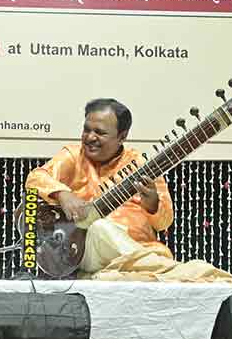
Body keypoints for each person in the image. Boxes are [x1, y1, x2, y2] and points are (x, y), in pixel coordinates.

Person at [25, 98, 173, 273]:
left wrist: (153, 206)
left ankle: (146, 269)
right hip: (91, 251)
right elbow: (35, 178)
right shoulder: (73, 157)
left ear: (122, 136)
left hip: (140, 247)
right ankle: (166, 271)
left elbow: (164, 223)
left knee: (116, 263)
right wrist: (62, 194)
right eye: (86, 130)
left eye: (100, 132)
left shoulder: (140, 165)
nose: (90, 137)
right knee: (100, 228)